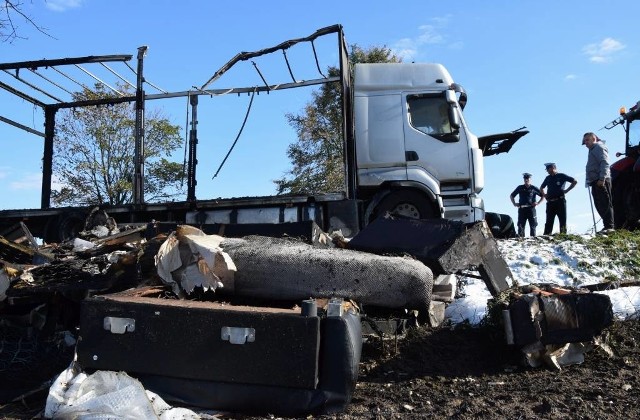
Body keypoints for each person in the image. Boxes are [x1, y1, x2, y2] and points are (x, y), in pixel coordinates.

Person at [583, 132, 614, 231]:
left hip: (600, 180)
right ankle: (607, 225)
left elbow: (604, 162)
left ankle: (610, 226)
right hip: (595, 181)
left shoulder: (598, 148)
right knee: (599, 204)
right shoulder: (592, 150)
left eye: (587, 140)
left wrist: (602, 178)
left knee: (605, 203)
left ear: (594, 138)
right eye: (585, 141)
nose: (585, 143)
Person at [540, 163, 577, 234]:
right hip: (550, 202)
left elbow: (574, 181)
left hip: (560, 201)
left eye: (548, 169)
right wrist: (544, 195)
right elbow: (541, 187)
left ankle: (563, 236)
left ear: (553, 168)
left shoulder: (561, 176)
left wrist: (567, 190)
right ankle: (546, 236)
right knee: (549, 221)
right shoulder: (547, 178)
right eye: (547, 169)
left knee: (562, 220)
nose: (547, 171)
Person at [509, 172, 544, 237]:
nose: (526, 179)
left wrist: (538, 203)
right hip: (522, 209)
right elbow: (511, 196)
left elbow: (542, 196)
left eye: (527, 178)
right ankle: (521, 240)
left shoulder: (533, 188)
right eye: (525, 178)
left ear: (530, 179)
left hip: (531, 209)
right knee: (520, 225)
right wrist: (514, 203)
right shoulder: (520, 187)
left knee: (533, 225)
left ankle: (533, 241)